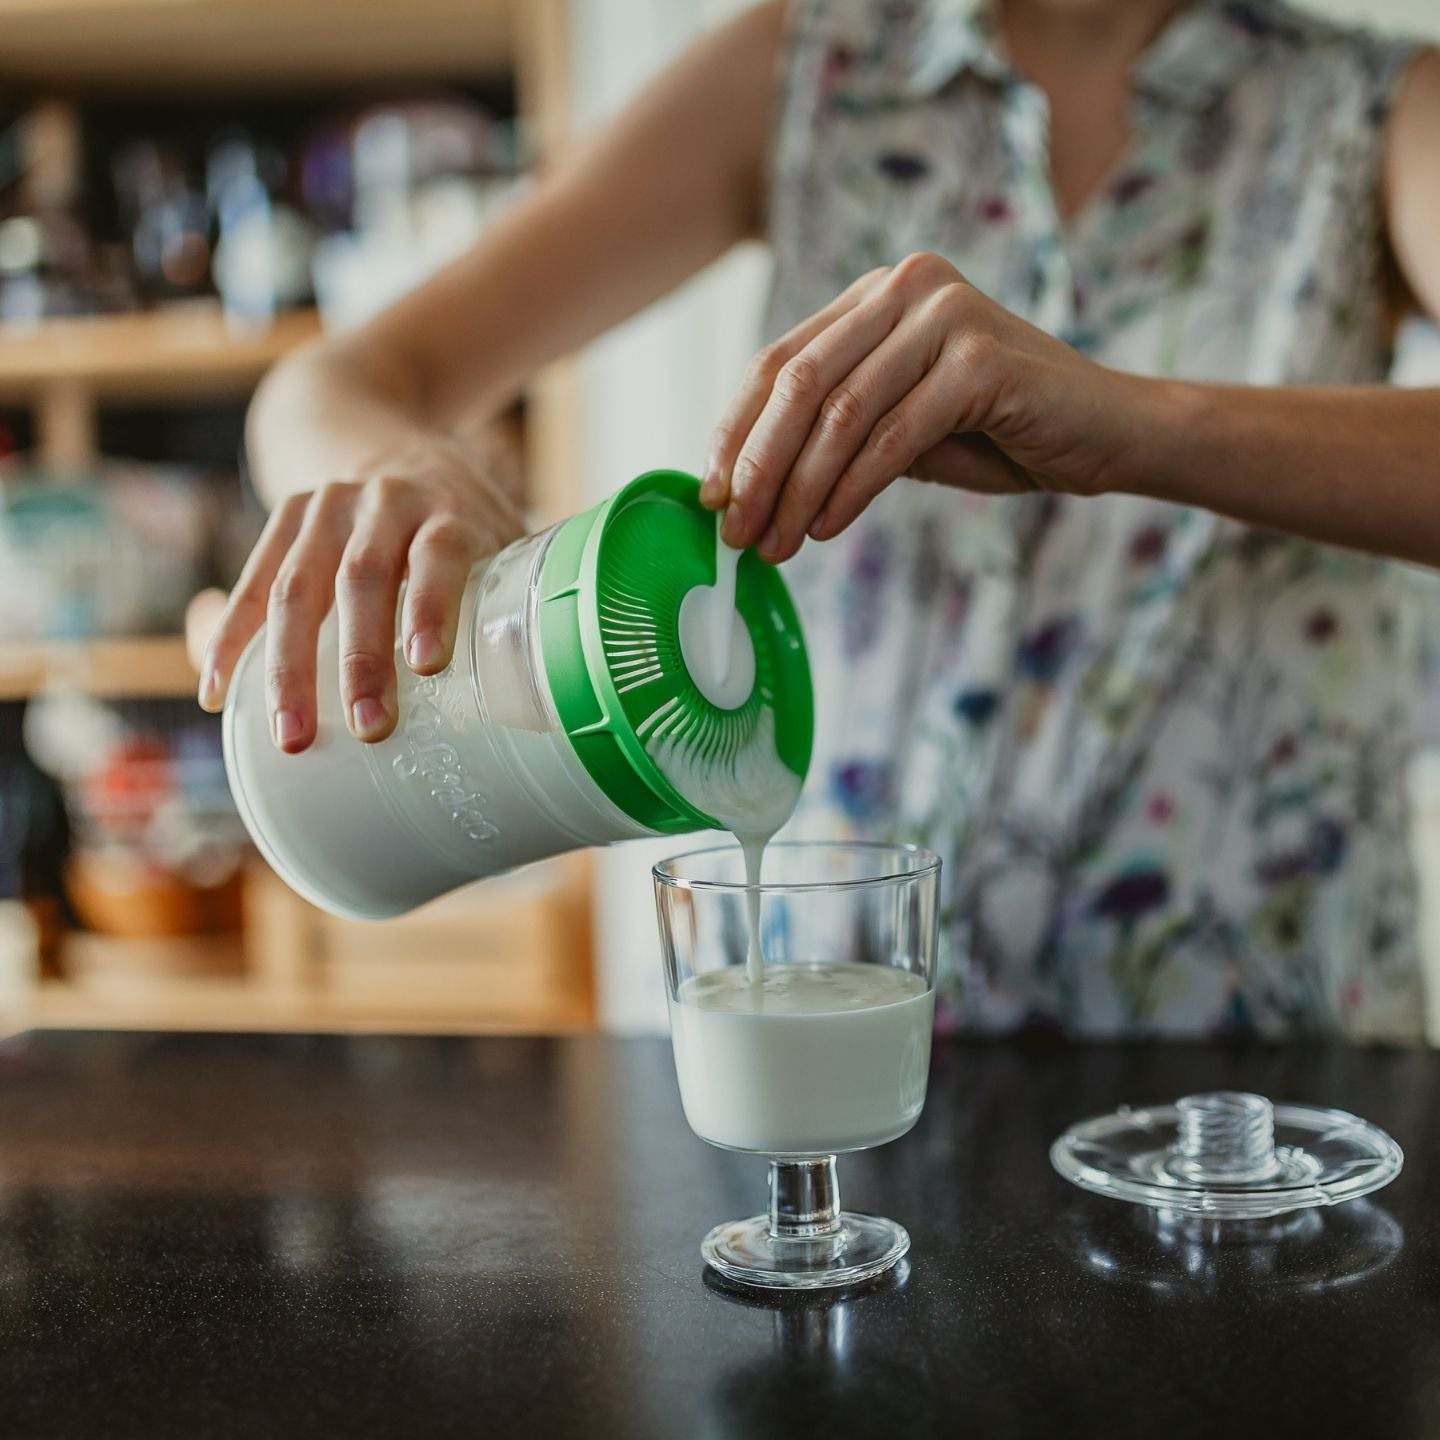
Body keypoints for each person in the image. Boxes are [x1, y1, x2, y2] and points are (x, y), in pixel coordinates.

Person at [198, 0, 1440, 1041]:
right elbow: (325, 387)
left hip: (1258, 1089)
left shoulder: (1375, 109)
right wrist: (401, 461)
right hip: (812, 1047)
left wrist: (1139, 428)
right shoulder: (815, 71)